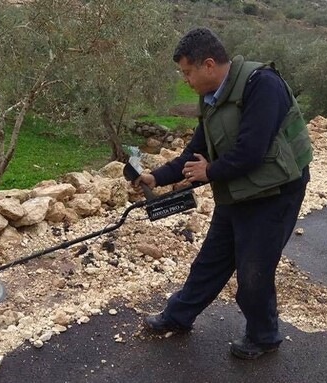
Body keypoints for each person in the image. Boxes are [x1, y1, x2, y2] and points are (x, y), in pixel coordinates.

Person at [132, 27, 312, 360]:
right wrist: (155, 177)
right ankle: (179, 315)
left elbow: (251, 150)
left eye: (187, 72)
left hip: (277, 192)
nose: (185, 80)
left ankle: (264, 336)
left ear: (209, 65)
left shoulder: (263, 85)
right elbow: (194, 154)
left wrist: (210, 172)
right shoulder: (212, 100)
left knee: (253, 271)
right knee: (211, 259)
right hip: (238, 189)